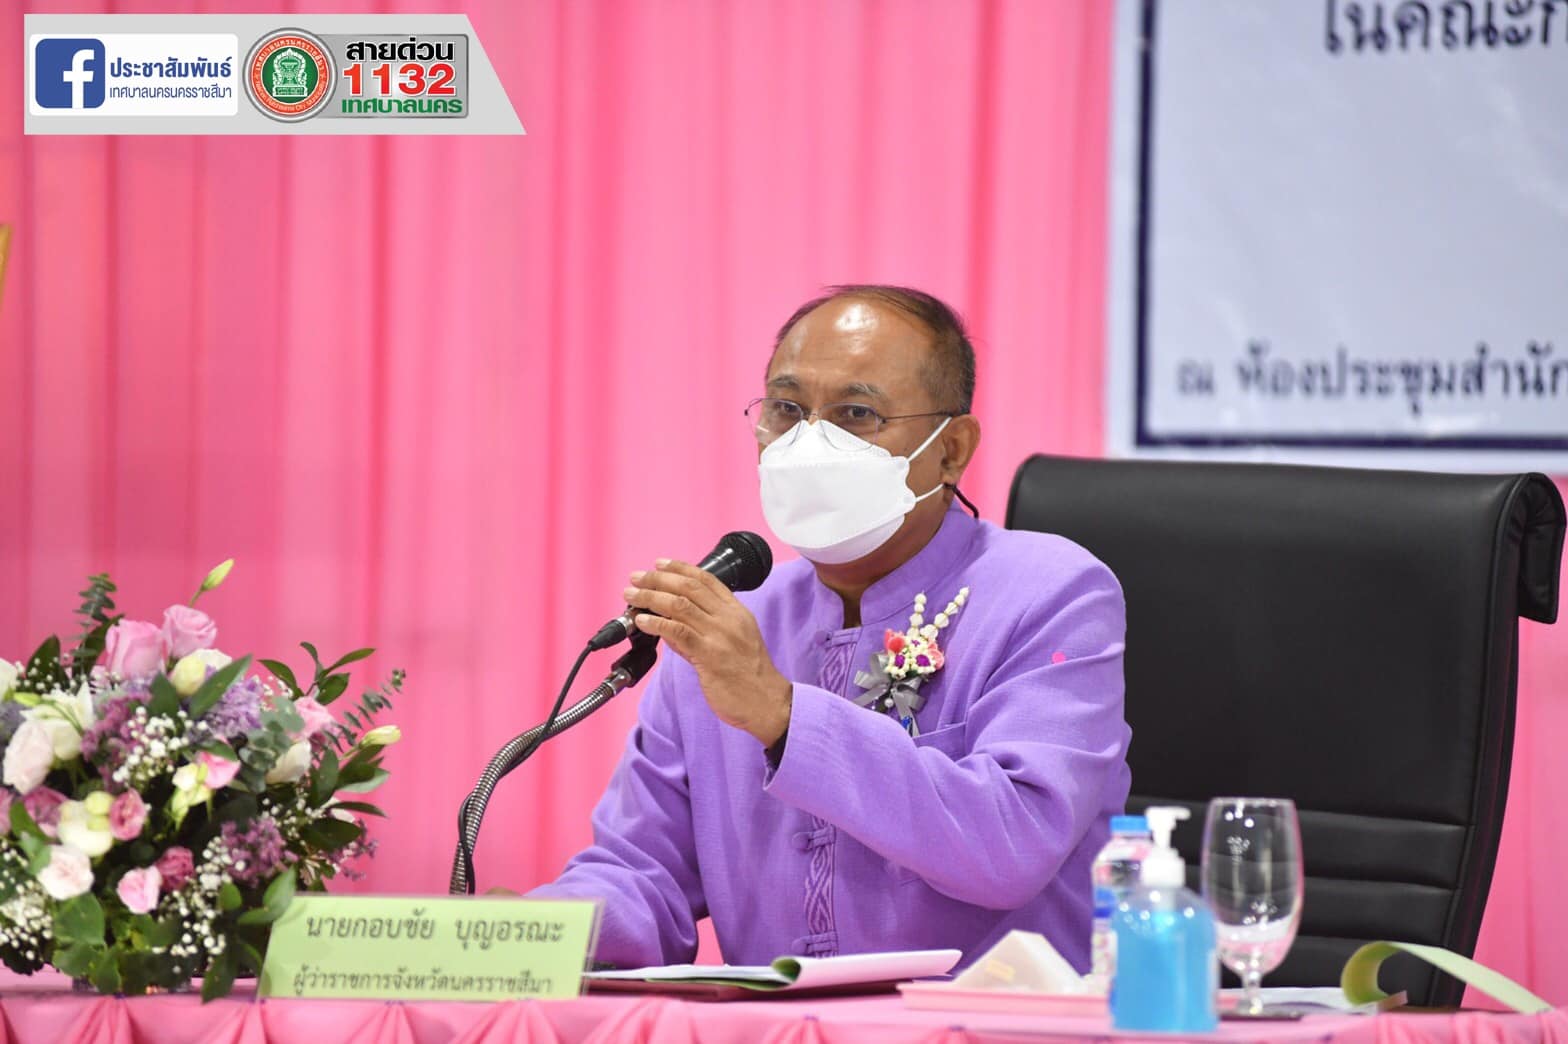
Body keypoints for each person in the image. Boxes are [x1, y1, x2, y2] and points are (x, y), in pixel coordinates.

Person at [530, 285, 1131, 971]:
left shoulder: (1052, 594)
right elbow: (643, 877)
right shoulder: (734, 623)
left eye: (856, 413)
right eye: (787, 410)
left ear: (951, 450)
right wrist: (528, 932)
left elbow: (1012, 844)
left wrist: (784, 716)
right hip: (782, 1021)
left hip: (988, 1018)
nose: (810, 442)